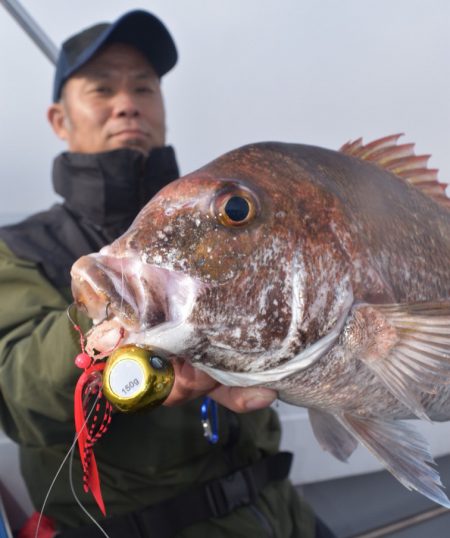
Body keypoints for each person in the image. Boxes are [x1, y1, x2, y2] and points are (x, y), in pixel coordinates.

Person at [0, 10, 334, 538]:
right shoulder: (17, 248)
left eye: (144, 88)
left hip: (282, 513)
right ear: (60, 121)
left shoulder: (230, 218)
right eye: (102, 88)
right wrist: (114, 337)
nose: (127, 103)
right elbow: (16, 389)